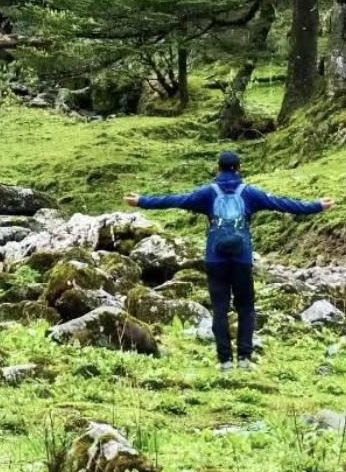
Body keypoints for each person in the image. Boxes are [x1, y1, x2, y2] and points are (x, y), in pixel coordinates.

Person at [125, 151, 334, 370]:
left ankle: (224, 360)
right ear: (239, 168)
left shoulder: (208, 193)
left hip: (215, 258)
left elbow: (176, 200)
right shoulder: (249, 193)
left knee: (219, 309)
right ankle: (244, 358)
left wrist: (142, 201)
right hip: (241, 258)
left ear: (218, 168)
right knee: (246, 308)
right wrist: (317, 205)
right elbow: (282, 203)